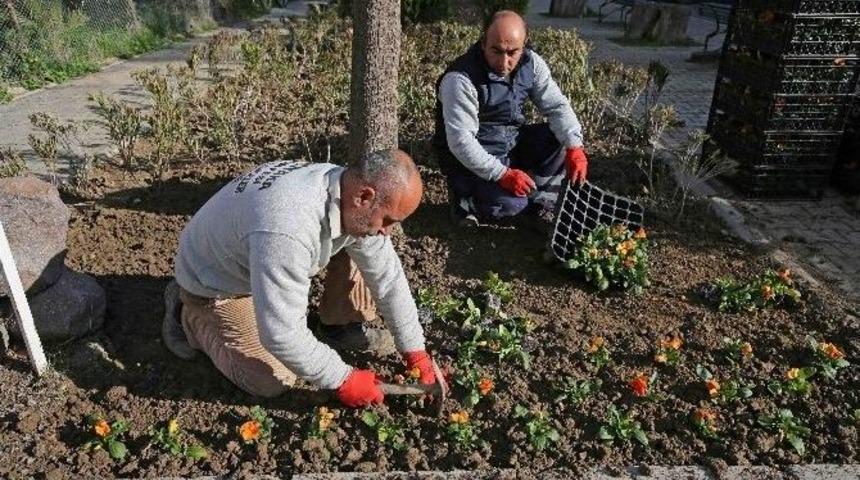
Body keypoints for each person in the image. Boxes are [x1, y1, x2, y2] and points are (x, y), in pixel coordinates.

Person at [161, 149, 437, 407]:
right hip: (214, 284)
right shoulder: (288, 226)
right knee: (270, 380)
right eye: (387, 220)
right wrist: (343, 379)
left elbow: (387, 279)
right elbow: (280, 335)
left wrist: (415, 351)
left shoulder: (344, 189)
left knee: (364, 241)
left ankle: (337, 325)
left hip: (258, 250)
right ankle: (187, 314)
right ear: (364, 196)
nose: (387, 232)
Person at [433, 10, 588, 227]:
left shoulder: (531, 64)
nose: (504, 62)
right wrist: (502, 174)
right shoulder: (460, 79)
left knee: (559, 139)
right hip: (472, 158)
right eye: (496, 51)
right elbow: (461, 142)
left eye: (512, 52)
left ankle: (542, 201)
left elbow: (556, 106)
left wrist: (575, 146)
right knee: (512, 207)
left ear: (523, 46)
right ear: (483, 43)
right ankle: (465, 199)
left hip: (510, 140)